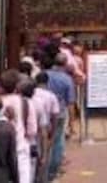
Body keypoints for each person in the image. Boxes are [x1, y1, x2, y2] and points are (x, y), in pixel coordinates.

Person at [0, 70, 36, 183]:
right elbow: (32, 130)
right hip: (20, 147)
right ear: (18, 86)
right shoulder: (26, 102)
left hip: (1, 150)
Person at [44, 54, 74, 182]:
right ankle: (52, 173)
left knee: (44, 141)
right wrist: (72, 122)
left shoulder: (44, 75)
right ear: (65, 63)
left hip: (44, 112)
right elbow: (71, 102)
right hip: (60, 113)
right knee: (58, 142)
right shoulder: (67, 79)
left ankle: (43, 170)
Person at [31, 73, 60, 183]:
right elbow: (55, 116)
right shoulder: (51, 96)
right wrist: (53, 133)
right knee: (44, 156)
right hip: (45, 128)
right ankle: (43, 179)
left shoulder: (31, 94)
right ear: (47, 82)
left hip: (31, 129)